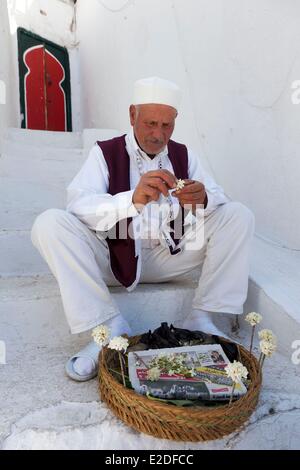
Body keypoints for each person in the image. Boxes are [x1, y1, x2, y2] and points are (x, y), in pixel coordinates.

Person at [31, 77, 254, 382]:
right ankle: (108, 327)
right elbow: (78, 205)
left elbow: (219, 198)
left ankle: (203, 318)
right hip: (113, 258)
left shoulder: (184, 155)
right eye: (150, 123)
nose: (158, 134)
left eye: (167, 125)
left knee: (238, 215)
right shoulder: (104, 153)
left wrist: (203, 197)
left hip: (170, 255)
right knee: (50, 223)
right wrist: (130, 201)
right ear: (132, 114)